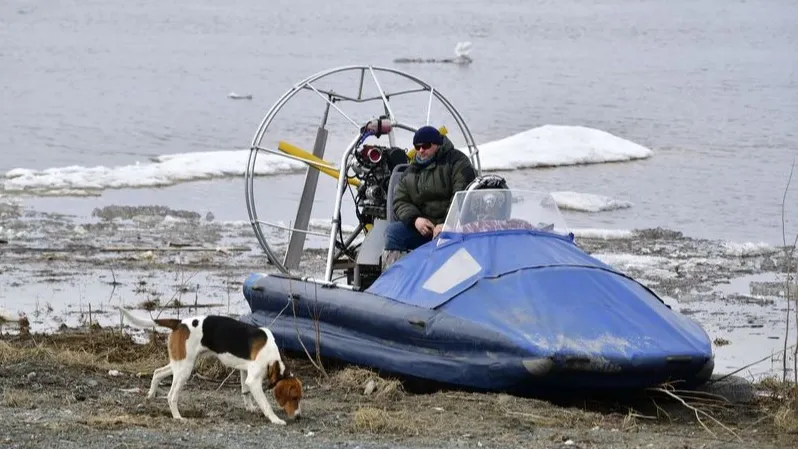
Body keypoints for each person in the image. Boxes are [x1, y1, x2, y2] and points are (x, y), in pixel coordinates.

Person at [384, 125, 477, 251]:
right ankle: (397, 269)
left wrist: (446, 224)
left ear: (437, 144)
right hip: (424, 229)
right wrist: (415, 220)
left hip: (454, 227)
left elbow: (461, 197)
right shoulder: (409, 172)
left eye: (426, 146)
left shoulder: (457, 162)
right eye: (417, 147)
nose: (421, 150)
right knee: (393, 233)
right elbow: (400, 201)